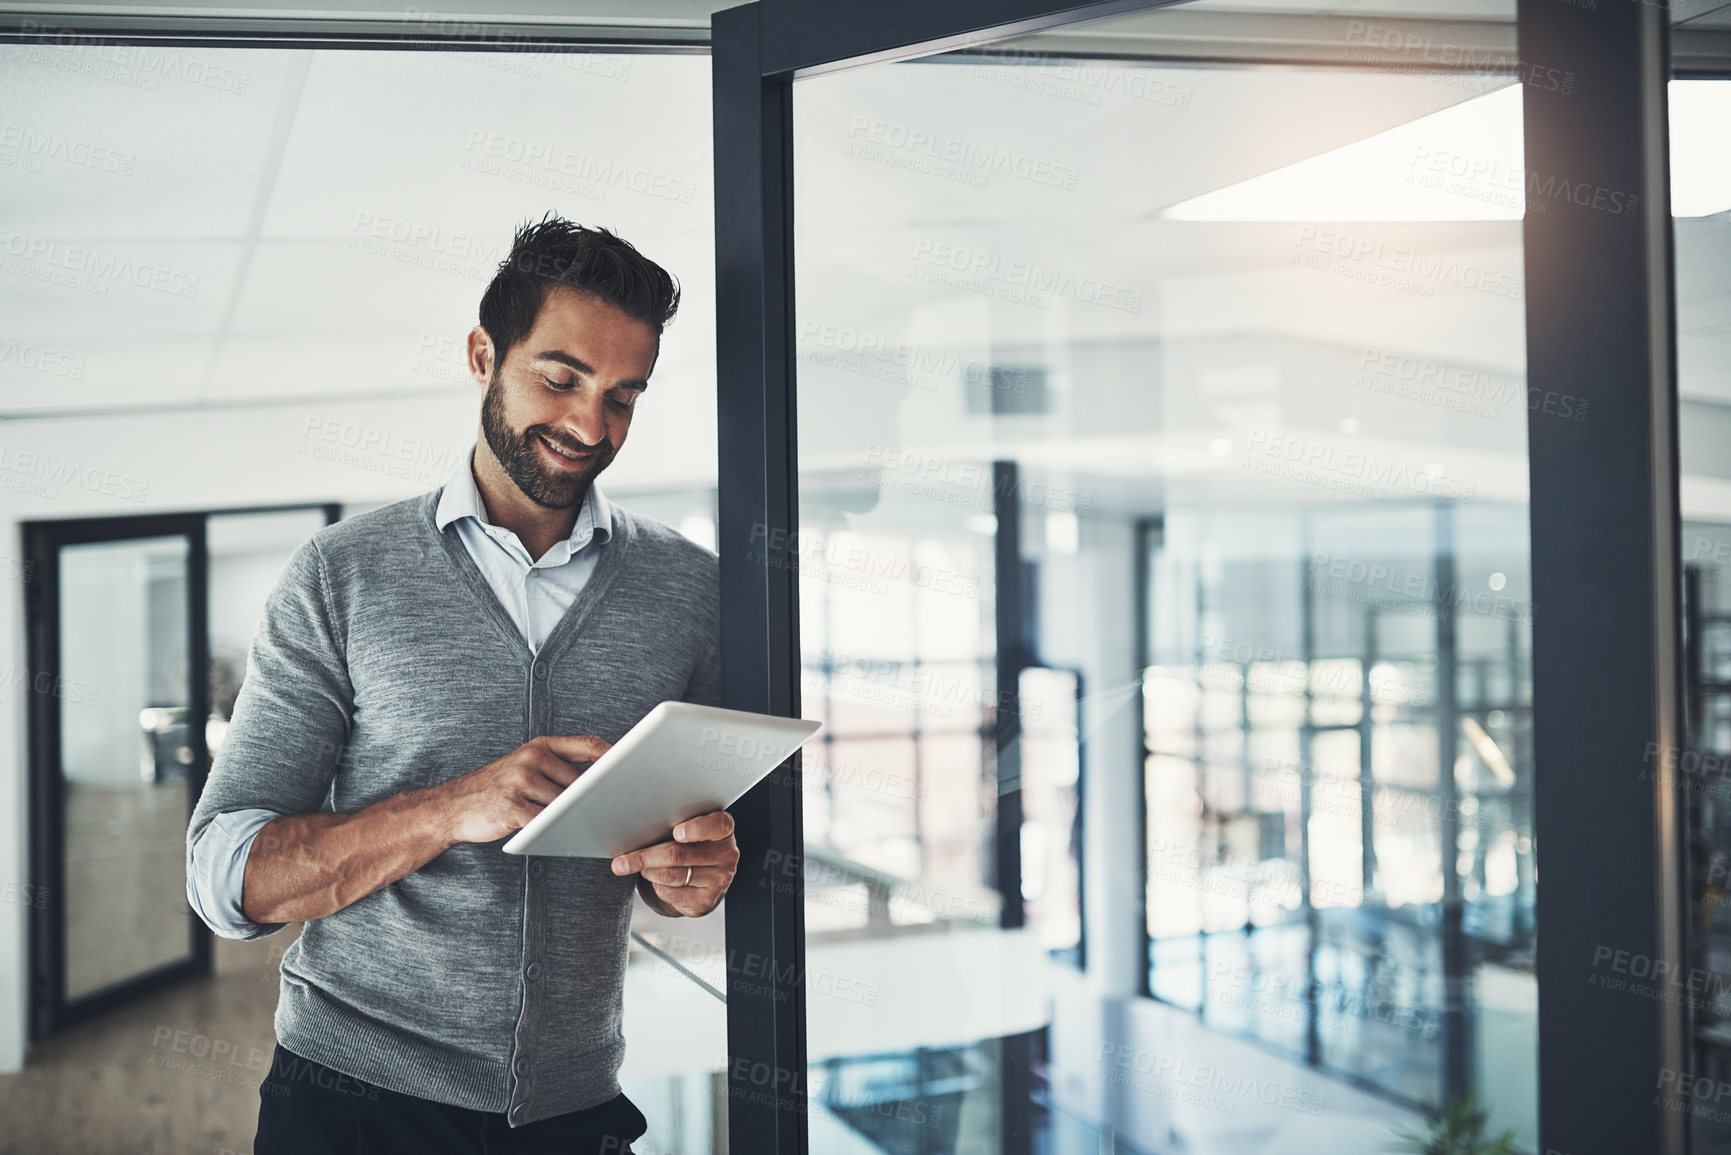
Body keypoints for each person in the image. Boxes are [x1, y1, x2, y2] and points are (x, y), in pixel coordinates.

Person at [185, 215, 735, 1155]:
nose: (589, 425)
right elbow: (224, 875)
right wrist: (449, 808)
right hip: (352, 1100)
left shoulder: (692, 590)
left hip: (574, 1108)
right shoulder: (341, 575)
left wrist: (694, 877)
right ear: (484, 353)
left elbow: (695, 842)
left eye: (623, 396)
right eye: (560, 377)